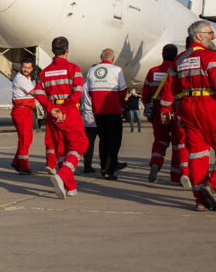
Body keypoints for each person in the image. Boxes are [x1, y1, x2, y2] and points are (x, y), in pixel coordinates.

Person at [158, 21, 216, 211]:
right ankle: (212, 186)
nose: (214, 37)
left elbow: (174, 90)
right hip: (208, 104)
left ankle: (200, 200)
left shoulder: (179, 60)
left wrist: (179, 112)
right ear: (199, 36)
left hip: (187, 107)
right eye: (210, 33)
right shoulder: (210, 56)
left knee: (197, 153)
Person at [32, 36, 89, 198]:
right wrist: (63, 111)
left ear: (52, 51)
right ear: (67, 50)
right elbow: (77, 92)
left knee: (62, 150)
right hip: (69, 112)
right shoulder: (73, 68)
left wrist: (52, 110)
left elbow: (38, 92)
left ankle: (70, 188)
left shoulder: (45, 72)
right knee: (79, 146)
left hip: (52, 113)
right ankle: (62, 175)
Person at [142, 43, 187, 186]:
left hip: (158, 113)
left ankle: (155, 163)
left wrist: (150, 110)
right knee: (178, 143)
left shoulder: (153, 71)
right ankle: (177, 175)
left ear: (162, 55)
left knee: (160, 141)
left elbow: (145, 94)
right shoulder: (177, 70)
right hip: (174, 111)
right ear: (176, 56)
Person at [86, 48, 128, 178]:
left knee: (103, 139)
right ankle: (110, 170)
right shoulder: (117, 70)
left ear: (100, 56)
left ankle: (103, 167)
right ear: (113, 58)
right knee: (114, 140)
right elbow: (123, 90)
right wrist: (119, 103)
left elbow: (89, 91)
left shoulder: (92, 71)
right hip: (113, 110)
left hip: (98, 110)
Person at [8, 59, 38, 174]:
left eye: (28, 68)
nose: (26, 69)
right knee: (25, 138)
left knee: (26, 138)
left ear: (32, 69)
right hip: (22, 111)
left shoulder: (27, 78)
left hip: (25, 111)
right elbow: (34, 92)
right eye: (24, 67)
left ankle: (17, 161)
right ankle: (23, 166)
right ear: (21, 67)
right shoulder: (21, 79)